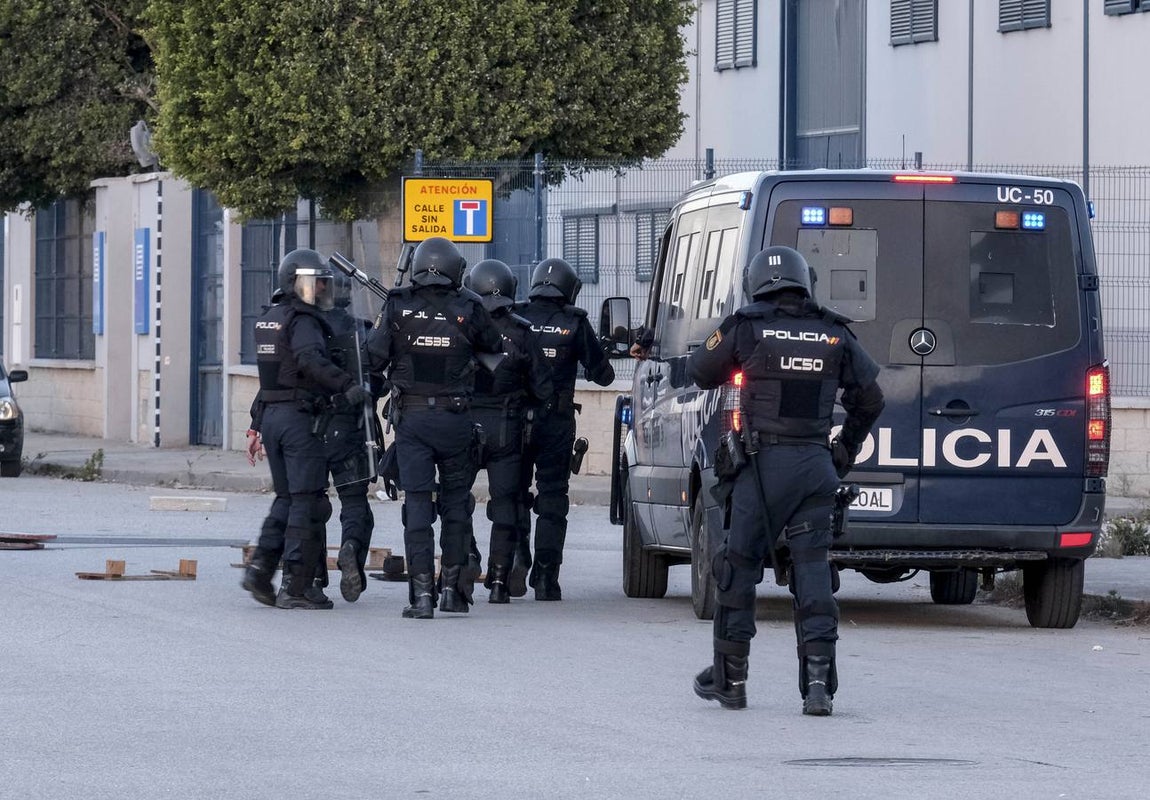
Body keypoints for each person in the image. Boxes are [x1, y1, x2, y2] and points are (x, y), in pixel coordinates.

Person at [687, 245, 884, 715]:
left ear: (758, 283)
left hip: (760, 468)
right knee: (813, 572)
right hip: (815, 468)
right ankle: (818, 685)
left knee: (736, 570)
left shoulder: (747, 325)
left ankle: (731, 681)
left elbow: (699, 373)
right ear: (804, 281)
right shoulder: (834, 332)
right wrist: (843, 449)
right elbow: (871, 400)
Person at [365, 237, 503, 619]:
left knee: (419, 506)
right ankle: (454, 593)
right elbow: (494, 351)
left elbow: (373, 359)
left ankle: (421, 595)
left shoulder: (397, 304)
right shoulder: (471, 305)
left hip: (412, 422)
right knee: (457, 506)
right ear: (456, 269)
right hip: (456, 419)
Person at [241, 249, 368, 611]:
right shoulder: (303, 320)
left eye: (322, 284)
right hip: (300, 419)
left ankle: (261, 568)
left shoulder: (270, 318)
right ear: (292, 284)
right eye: (312, 284)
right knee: (307, 500)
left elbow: (271, 375)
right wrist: (347, 385)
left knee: (286, 498)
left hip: (273, 417)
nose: (319, 291)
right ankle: (296, 586)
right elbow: (309, 360)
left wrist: (257, 423)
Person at [516, 257, 615, 600]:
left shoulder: (515, 315)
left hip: (514, 419)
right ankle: (545, 577)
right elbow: (604, 376)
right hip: (555, 422)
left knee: (513, 491)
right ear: (569, 288)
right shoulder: (574, 322)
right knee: (552, 496)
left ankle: (514, 560)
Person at [463, 259, 553, 603]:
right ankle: (499, 582)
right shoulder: (522, 332)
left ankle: (466, 558)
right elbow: (543, 389)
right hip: (507, 428)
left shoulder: (462, 327)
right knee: (507, 505)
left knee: (456, 499)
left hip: (467, 425)